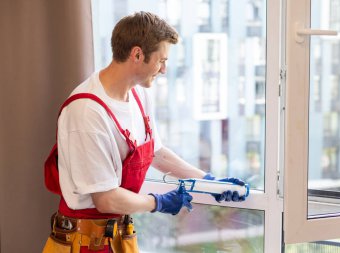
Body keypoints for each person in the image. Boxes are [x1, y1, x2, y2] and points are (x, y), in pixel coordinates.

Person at [43, 11, 247, 253]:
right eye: (161, 60)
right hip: (85, 242)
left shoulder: (139, 95)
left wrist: (208, 182)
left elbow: (156, 153)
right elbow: (106, 199)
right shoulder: (87, 111)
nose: (163, 70)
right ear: (137, 54)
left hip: (119, 235)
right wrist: (158, 202)